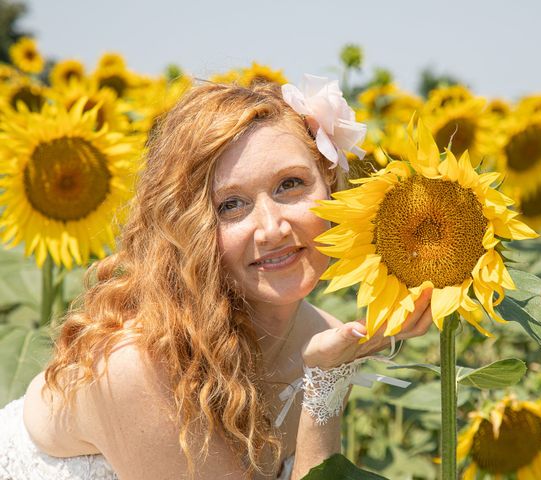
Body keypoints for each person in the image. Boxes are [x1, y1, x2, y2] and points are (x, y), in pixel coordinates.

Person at [0, 75, 433, 480]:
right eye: (230, 205)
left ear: (332, 188)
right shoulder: (137, 367)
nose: (272, 227)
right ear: (186, 228)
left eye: (291, 184)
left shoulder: (328, 336)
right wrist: (326, 386)